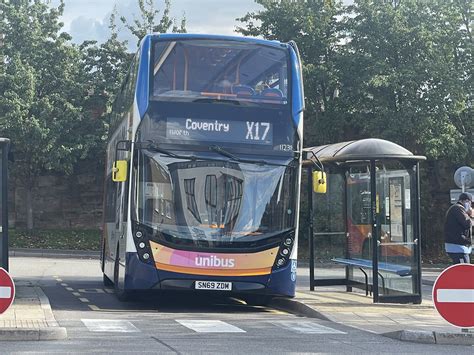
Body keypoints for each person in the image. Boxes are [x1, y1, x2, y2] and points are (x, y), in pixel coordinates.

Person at [444, 192, 472, 264]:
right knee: (463, 270)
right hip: (457, 246)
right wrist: (471, 215)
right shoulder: (458, 208)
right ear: (466, 201)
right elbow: (467, 224)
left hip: (458, 246)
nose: (470, 205)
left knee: (463, 269)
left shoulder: (457, 209)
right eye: (470, 202)